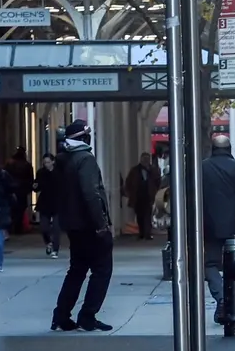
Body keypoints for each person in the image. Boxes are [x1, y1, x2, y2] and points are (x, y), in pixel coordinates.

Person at [51, 119, 115, 332]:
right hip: (90, 225)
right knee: (102, 270)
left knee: (76, 270)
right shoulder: (85, 159)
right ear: (84, 138)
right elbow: (91, 194)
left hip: (73, 226)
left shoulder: (62, 160)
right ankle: (88, 315)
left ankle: (61, 314)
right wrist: (101, 225)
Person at [202, 133, 235, 325]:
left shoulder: (202, 168)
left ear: (213, 149)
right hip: (234, 225)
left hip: (208, 226)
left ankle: (221, 299)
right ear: (229, 149)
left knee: (209, 264)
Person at [124, 152, 160, 240]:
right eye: (144, 159)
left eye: (147, 159)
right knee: (140, 215)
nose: (146, 161)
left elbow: (158, 181)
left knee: (148, 215)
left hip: (148, 195)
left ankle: (147, 233)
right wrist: (129, 193)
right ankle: (142, 232)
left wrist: (155, 191)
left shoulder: (153, 170)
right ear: (141, 159)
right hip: (138, 196)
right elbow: (128, 182)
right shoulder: (135, 170)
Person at [33, 151, 61, 257]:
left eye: (48, 162)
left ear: (53, 162)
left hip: (57, 202)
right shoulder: (41, 172)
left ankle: (55, 249)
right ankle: (48, 242)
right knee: (44, 227)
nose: (46, 164)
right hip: (45, 202)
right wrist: (35, 186)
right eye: (45, 162)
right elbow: (37, 186)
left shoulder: (59, 172)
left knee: (56, 228)